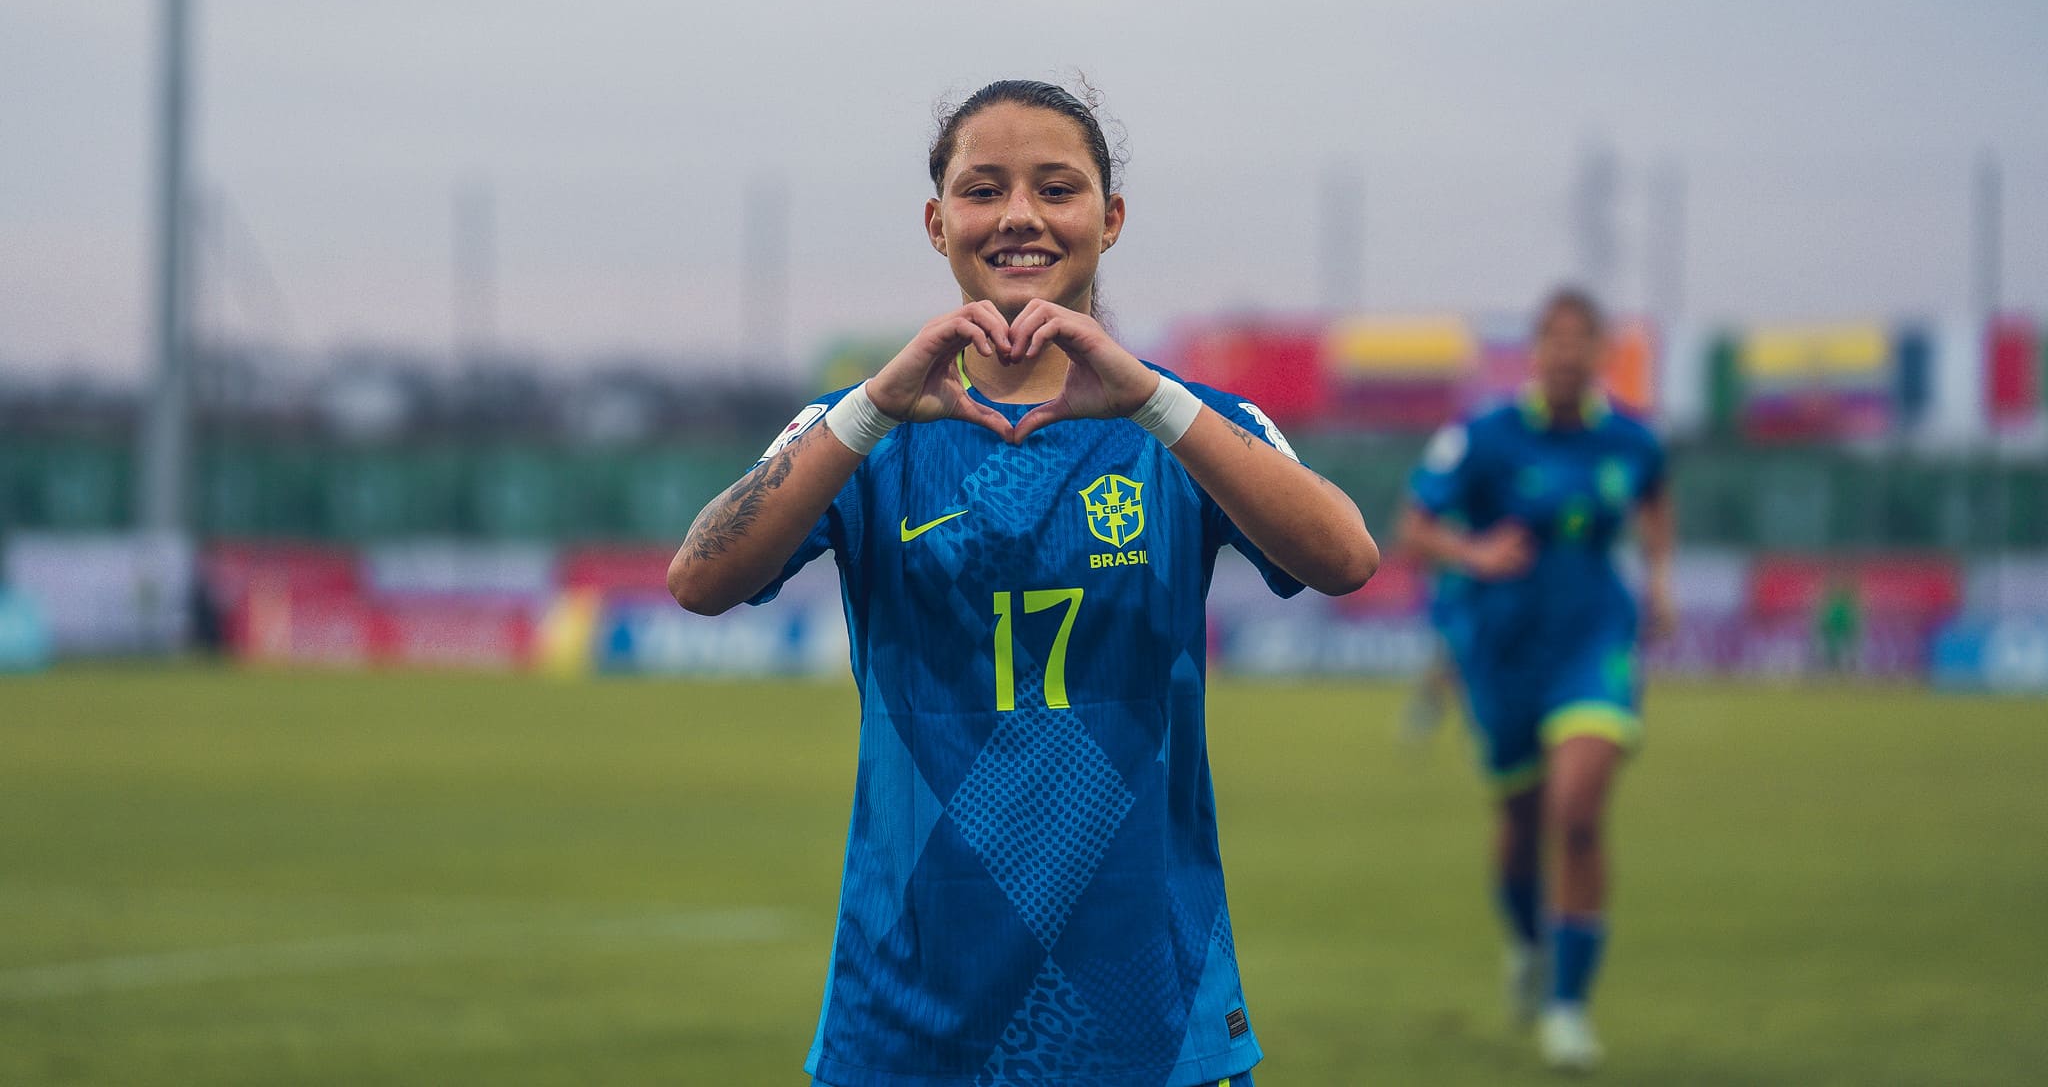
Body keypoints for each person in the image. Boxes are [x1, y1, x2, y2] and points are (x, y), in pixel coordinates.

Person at [668, 79, 1380, 1087]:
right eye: (981, 189)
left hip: (1152, 1023)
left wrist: (1147, 399)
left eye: (1056, 188)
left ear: (1109, 217)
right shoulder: (859, 431)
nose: (1017, 216)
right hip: (905, 1026)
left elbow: (1345, 560)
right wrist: (875, 405)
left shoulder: (1189, 424)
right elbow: (697, 578)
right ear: (935, 222)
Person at [1398, 289, 1674, 1072]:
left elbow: (1655, 498)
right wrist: (1477, 555)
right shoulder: (1484, 439)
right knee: (1521, 826)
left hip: (1595, 640)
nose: (1566, 353)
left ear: (1599, 352)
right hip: (1506, 648)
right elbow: (1414, 529)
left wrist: (1660, 579)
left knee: (1577, 813)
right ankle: (1527, 945)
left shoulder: (1628, 439)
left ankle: (1569, 1008)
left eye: (1581, 341)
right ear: (1535, 351)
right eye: (1553, 339)